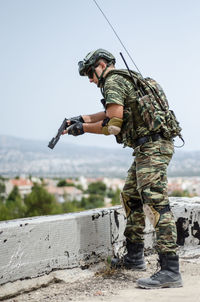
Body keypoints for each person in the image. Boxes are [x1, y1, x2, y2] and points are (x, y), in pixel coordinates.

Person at [62, 49, 183, 289]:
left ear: (103, 64)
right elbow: (112, 111)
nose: (90, 79)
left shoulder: (112, 81)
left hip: (152, 147)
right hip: (150, 146)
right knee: (131, 196)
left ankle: (170, 269)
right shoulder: (128, 77)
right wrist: (82, 118)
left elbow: (113, 125)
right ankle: (134, 257)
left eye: (90, 72)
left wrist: (82, 129)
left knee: (156, 203)